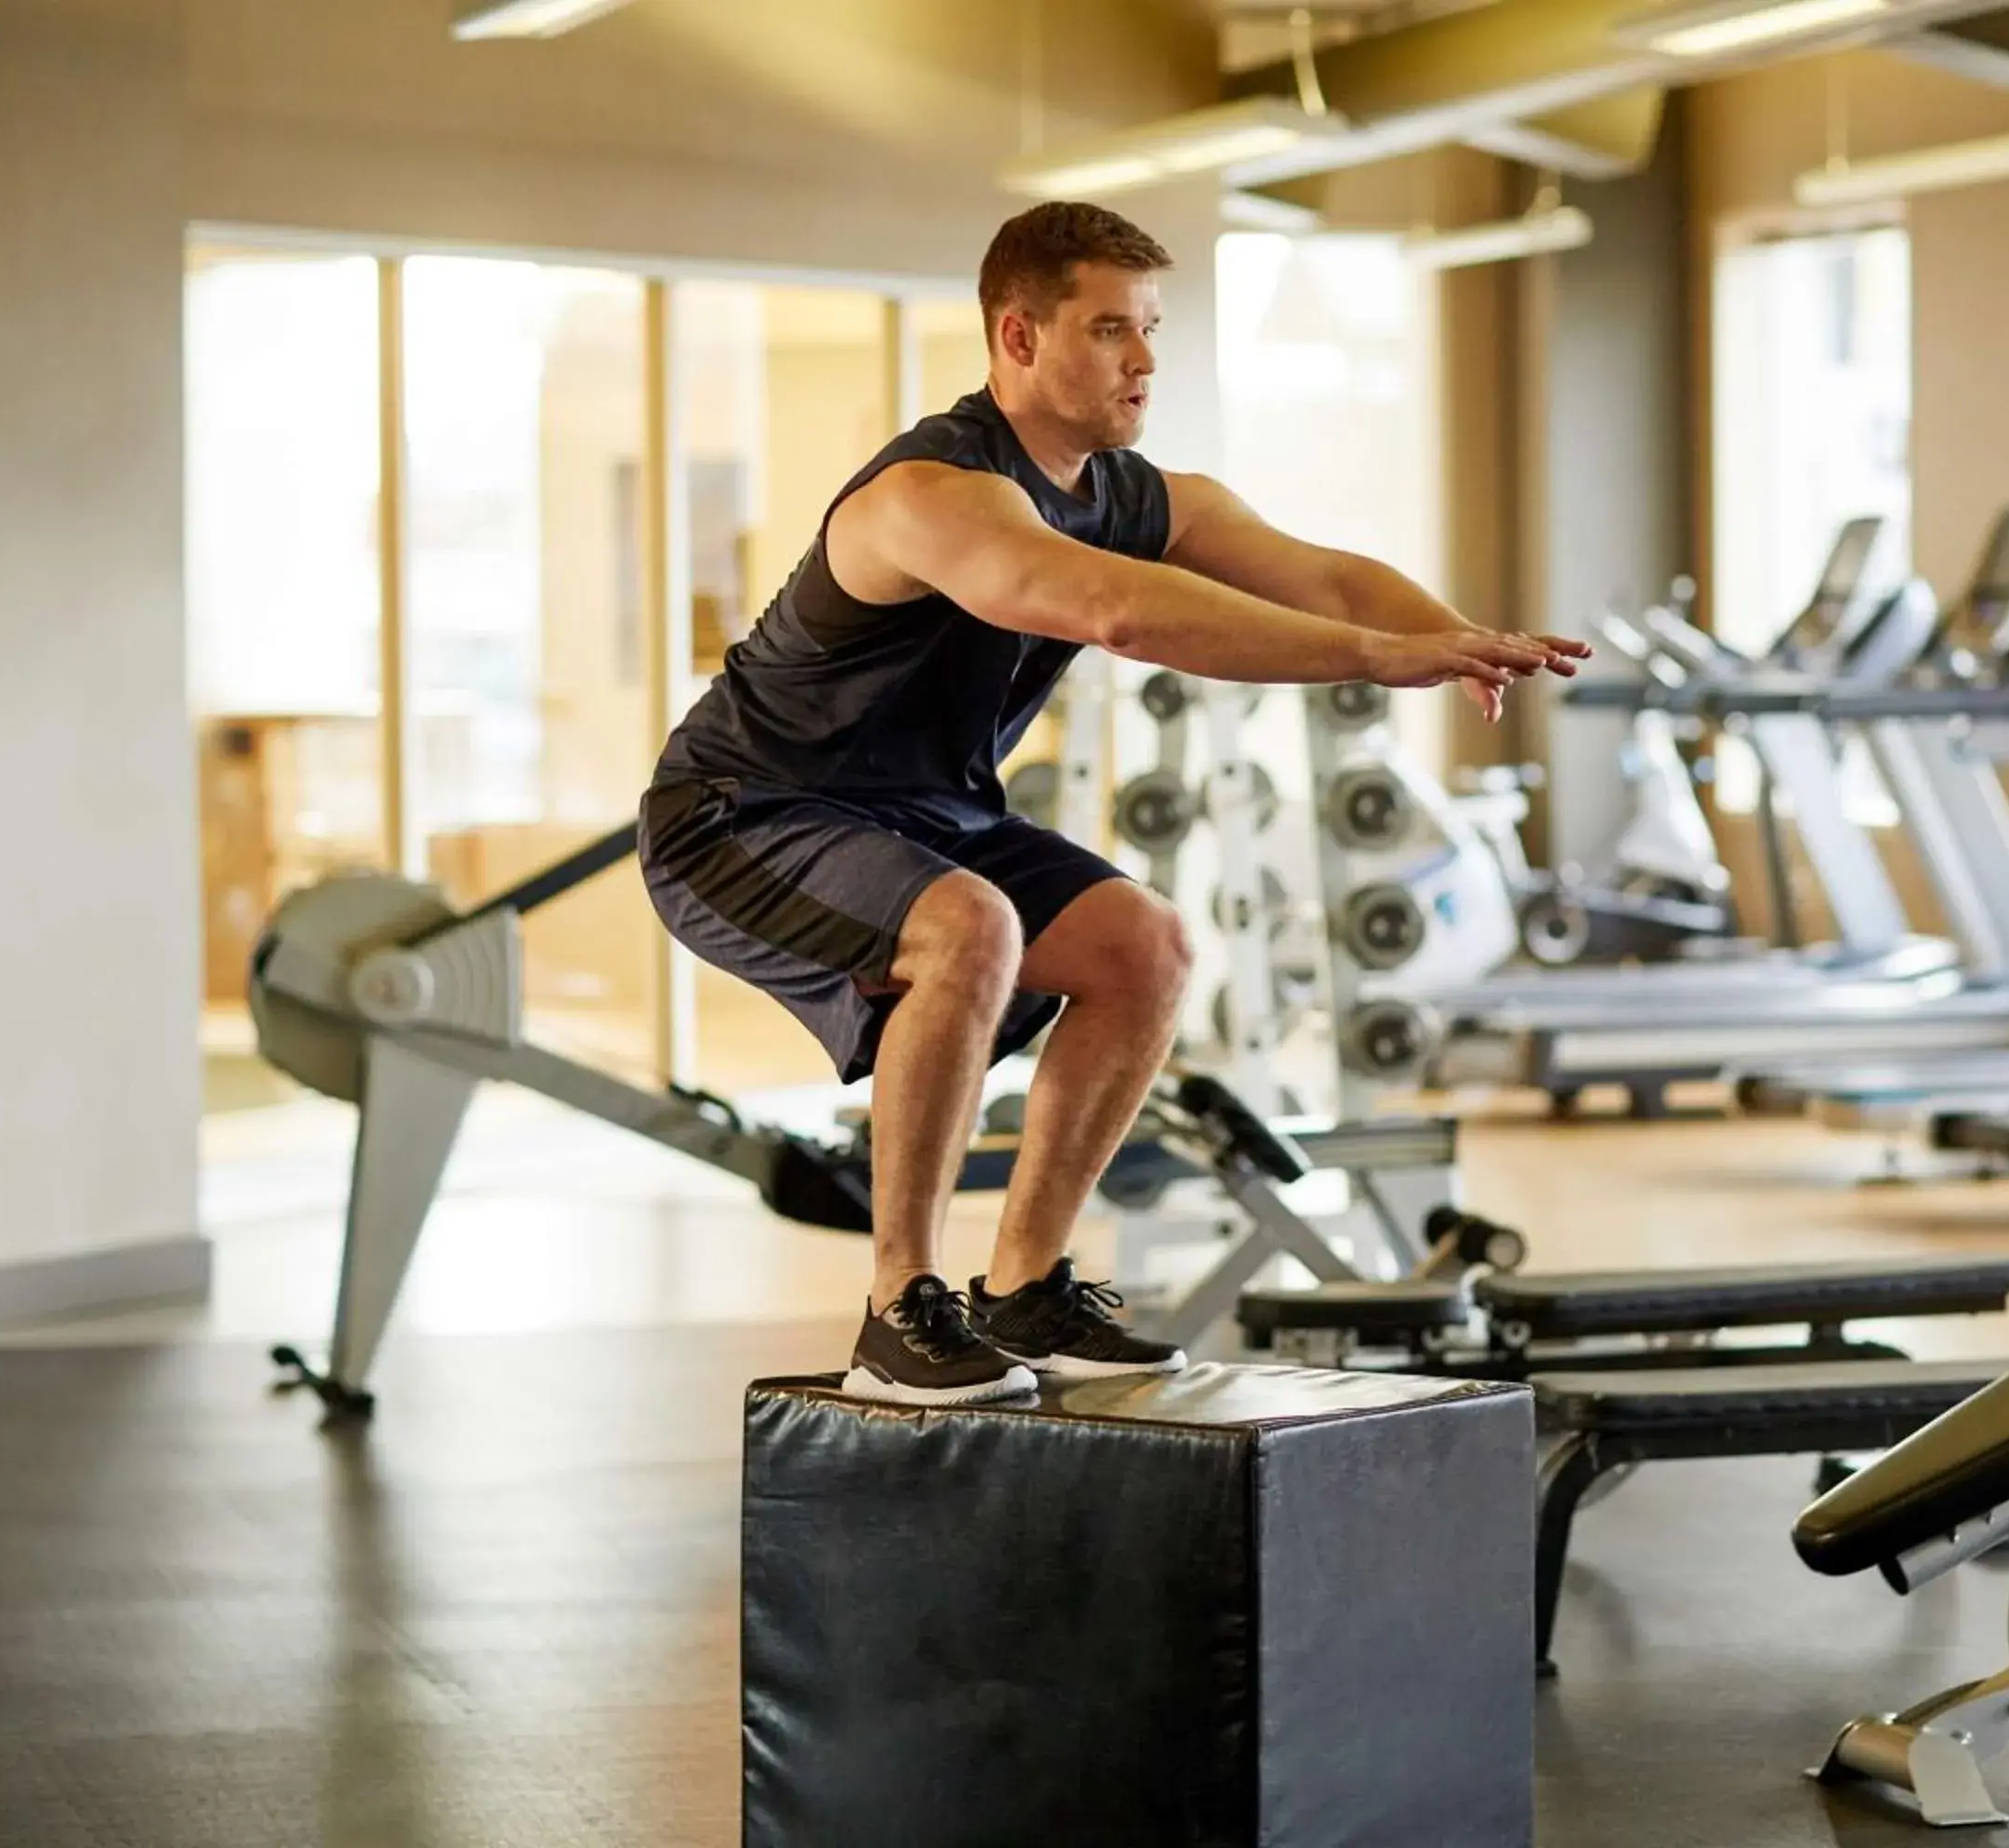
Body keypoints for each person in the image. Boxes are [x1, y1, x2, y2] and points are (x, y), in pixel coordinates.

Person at [639, 201, 1586, 1407]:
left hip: (924, 812)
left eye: (1150, 331)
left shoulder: (1134, 493)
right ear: (1017, 338)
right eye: (1107, 330)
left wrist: (1450, 637)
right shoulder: (934, 493)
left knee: (1145, 945)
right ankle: (898, 1307)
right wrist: (1366, 656)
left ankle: (1025, 1284)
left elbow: (1325, 570)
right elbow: (1113, 613)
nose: (1141, 360)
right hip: (742, 815)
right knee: (969, 926)